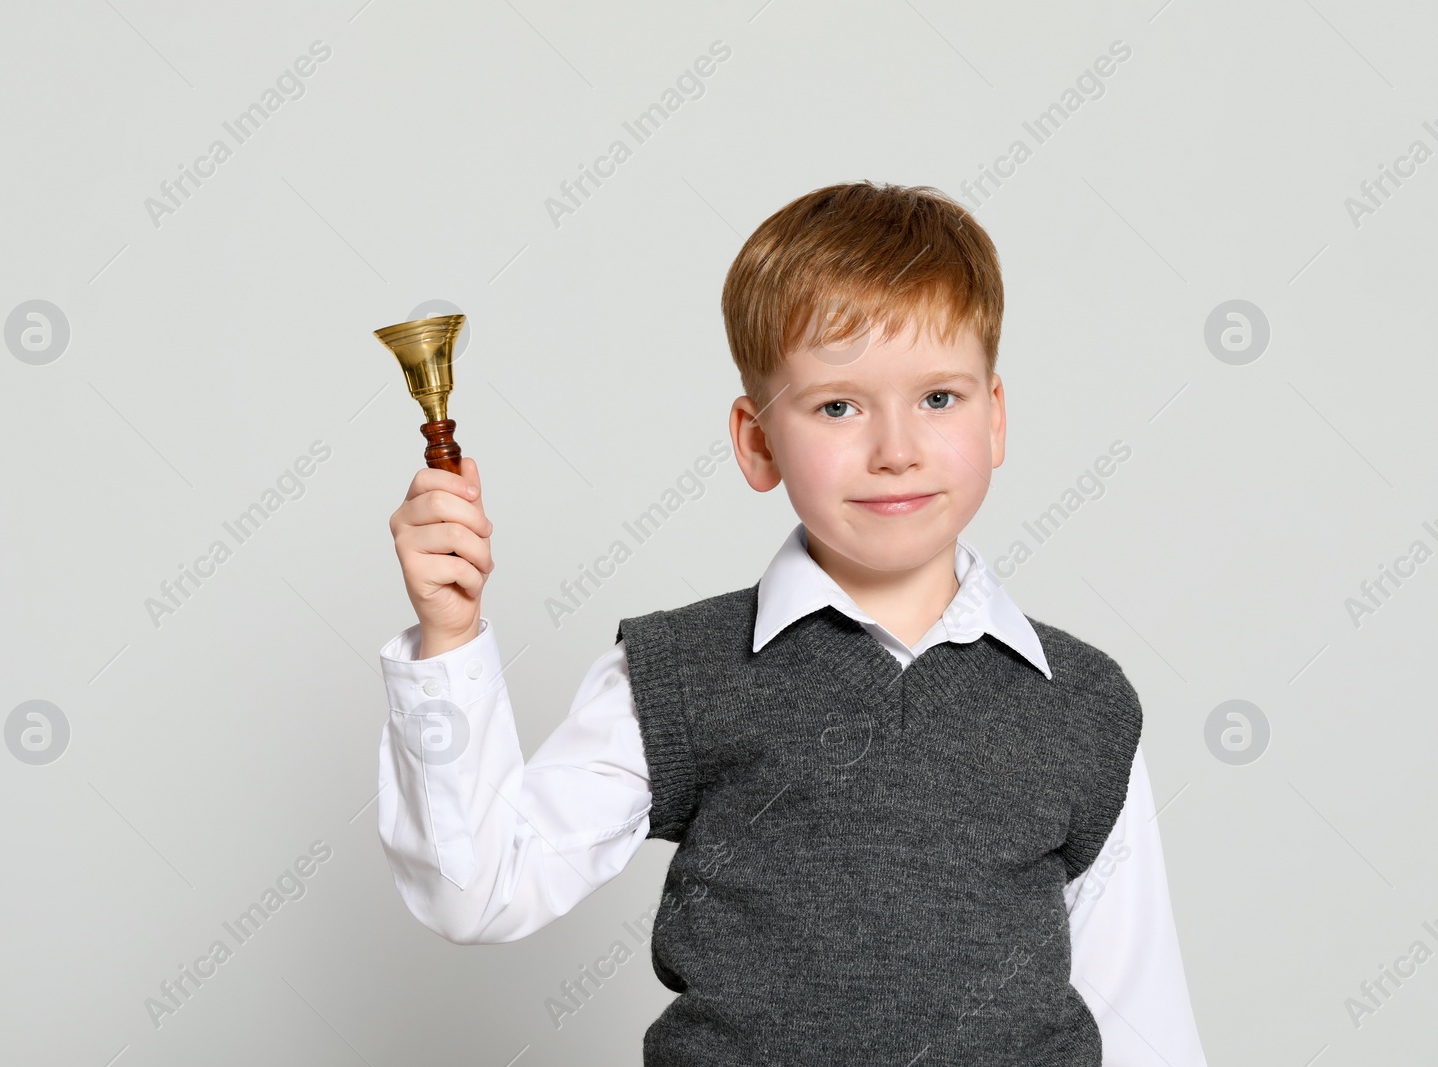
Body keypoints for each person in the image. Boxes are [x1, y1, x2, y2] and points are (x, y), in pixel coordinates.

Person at [377, 181, 1207, 1065]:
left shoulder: (1081, 703)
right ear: (758, 441)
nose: (897, 449)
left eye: (938, 398)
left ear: (995, 416)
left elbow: (1141, 1016)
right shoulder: (682, 674)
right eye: (838, 406)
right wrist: (450, 640)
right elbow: (482, 887)